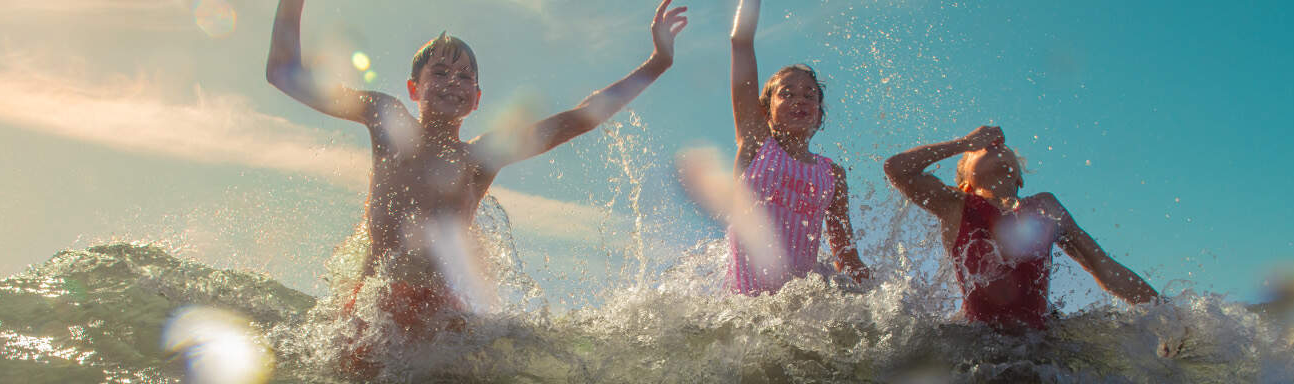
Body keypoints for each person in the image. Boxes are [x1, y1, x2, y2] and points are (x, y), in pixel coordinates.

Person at [264, 0, 688, 373]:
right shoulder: (385, 117)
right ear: (414, 88)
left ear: (477, 98)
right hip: (375, 311)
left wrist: (658, 63)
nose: (454, 81)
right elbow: (284, 73)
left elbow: (580, 117)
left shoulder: (480, 158)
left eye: (466, 76)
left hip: (441, 318)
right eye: (440, 72)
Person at [883, 126, 1159, 329]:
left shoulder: (1046, 208)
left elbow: (1103, 267)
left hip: (1038, 340)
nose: (994, 146)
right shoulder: (956, 206)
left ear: (1019, 179)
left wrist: (1164, 313)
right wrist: (964, 143)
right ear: (965, 183)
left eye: (1004, 149)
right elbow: (897, 168)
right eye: (980, 149)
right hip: (977, 341)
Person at [723, 0, 871, 295]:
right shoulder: (757, 144)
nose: (799, 100)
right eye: (786, 94)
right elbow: (740, 42)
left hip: (798, 308)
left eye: (809, 95)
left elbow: (845, 255)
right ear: (766, 110)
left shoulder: (832, 174)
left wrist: (878, 293)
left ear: (819, 113)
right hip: (744, 304)